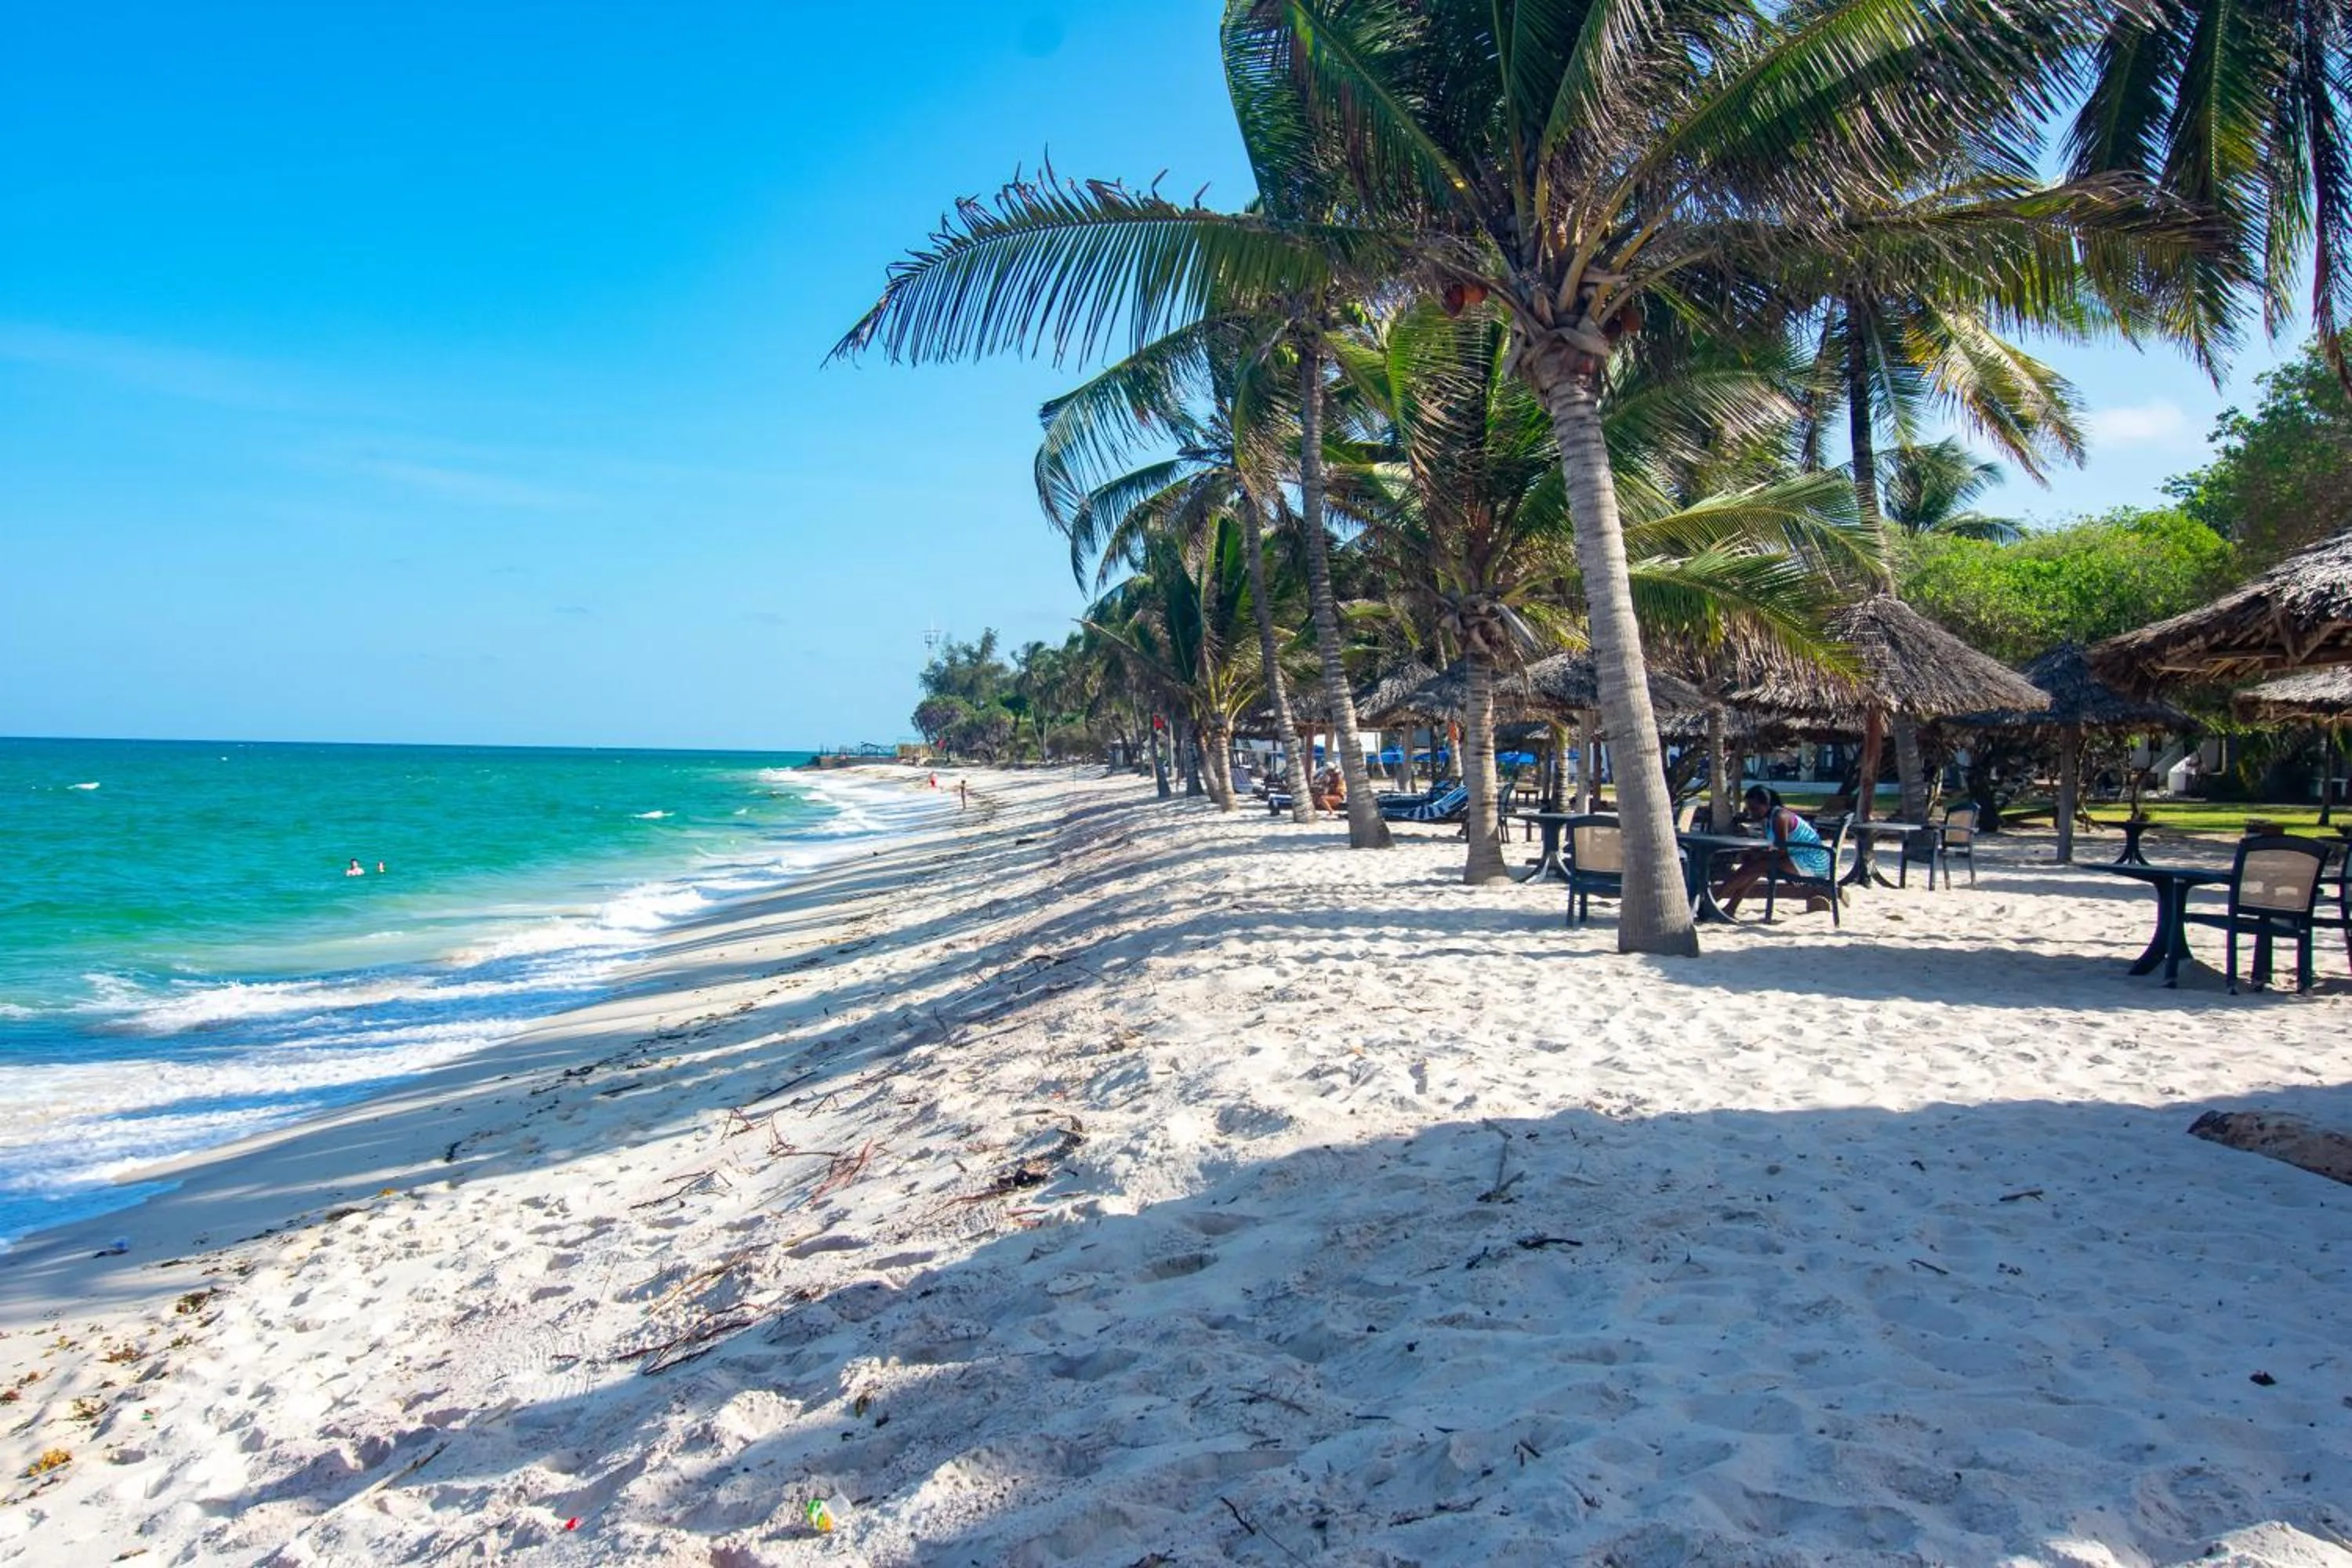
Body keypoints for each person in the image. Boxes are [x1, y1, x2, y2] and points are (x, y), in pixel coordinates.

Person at [1715, 786, 1831, 916]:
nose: (1752, 813)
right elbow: (1778, 847)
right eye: (1749, 809)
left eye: (1755, 809)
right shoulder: (1773, 816)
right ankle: (1729, 907)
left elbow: (1782, 850)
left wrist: (1758, 854)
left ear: (1766, 804)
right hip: (1804, 857)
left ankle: (1713, 899)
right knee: (1754, 866)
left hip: (1812, 861)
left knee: (1753, 866)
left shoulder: (1780, 817)